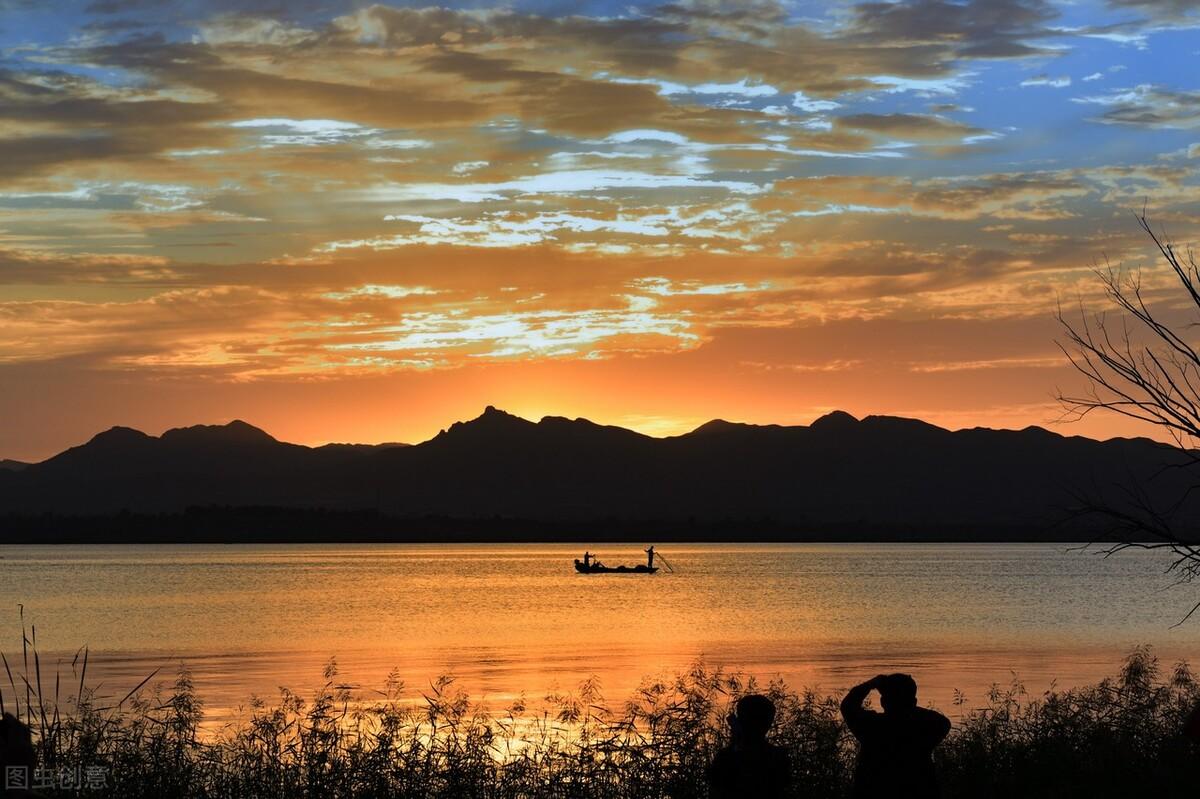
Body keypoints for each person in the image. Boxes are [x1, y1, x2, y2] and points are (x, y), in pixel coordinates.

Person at [841, 674, 950, 799]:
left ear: (883, 702)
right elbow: (944, 722)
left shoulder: (872, 727)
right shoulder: (924, 727)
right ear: (913, 702)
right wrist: (908, 706)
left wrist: (871, 684)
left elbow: (848, 706)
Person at [707, 694, 790, 799]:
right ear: (768, 724)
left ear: (743, 721)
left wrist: (737, 744)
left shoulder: (727, 757)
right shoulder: (778, 756)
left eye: (739, 717)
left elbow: (717, 792)